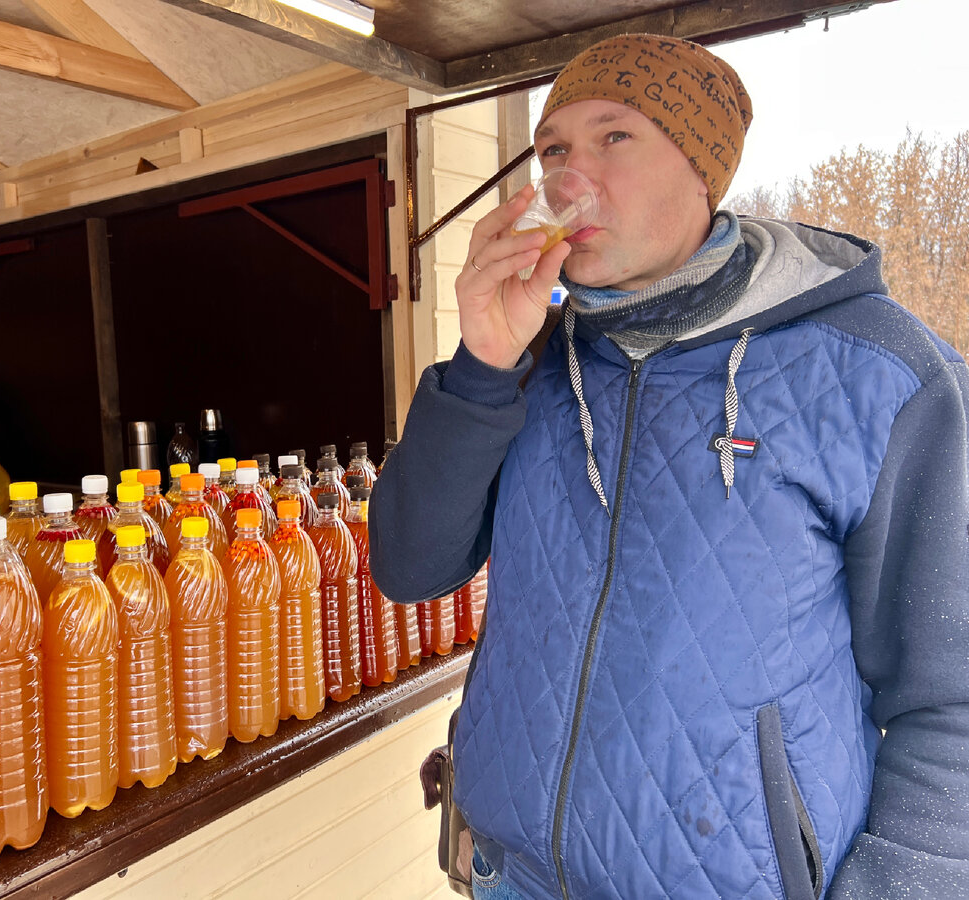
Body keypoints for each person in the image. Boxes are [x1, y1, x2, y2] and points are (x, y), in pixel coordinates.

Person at [369, 33, 969, 900]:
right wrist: (481, 363)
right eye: (553, 152)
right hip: (512, 877)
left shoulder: (883, 373)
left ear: (703, 168)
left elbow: (949, 698)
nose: (573, 179)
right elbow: (410, 566)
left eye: (615, 137)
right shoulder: (530, 357)